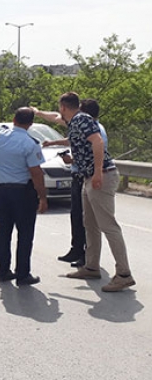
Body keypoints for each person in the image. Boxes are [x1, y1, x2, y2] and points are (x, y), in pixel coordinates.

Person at [58, 92, 135, 292]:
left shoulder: (82, 118)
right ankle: (91, 266)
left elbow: (98, 142)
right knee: (90, 224)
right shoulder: (75, 122)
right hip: (88, 176)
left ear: (64, 107)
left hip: (101, 176)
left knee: (108, 226)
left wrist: (98, 173)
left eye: (59, 108)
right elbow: (83, 149)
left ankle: (124, 274)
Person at [34, 99, 108, 268]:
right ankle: (76, 250)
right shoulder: (83, 125)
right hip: (77, 174)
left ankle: (87, 256)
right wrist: (52, 142)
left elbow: (95, 152)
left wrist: (74, 160)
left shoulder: (97, 131)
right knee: (76, 215)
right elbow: (68, 134)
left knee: (87, 219)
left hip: (86, 175)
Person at [0, 108, 48, 286]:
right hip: (23, 193)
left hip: (2, 192)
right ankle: (22, 274)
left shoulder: (0, 134)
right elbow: (36, 173)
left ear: (14, 119)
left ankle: (3, 271)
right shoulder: (30, 143)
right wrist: (43, 197)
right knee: (25, 234)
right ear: (30, 124)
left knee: (3, 233)